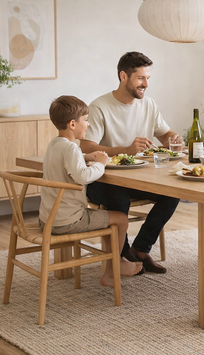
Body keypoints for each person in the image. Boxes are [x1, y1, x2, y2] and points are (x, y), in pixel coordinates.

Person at [80, 51, 181, 274]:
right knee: (118, 198)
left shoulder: (149, 105)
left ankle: (141, 250)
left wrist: (173, 139)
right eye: (140, 78)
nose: (145, 84)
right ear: (123, 76)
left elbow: (165, 134)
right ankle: (122, 255)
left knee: (173, 193)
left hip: (139, 178)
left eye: (148, 79)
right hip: (103, 180)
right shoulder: (99, 107)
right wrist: (125, 150)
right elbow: (85, 147)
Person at [39, 95, 143, 286]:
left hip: (48, 218)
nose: (87, 125)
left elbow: (68, 161)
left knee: (108, 215)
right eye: (85, 121)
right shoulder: (71, 149)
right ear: (72, 124)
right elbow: (84, 177)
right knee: (120, 219)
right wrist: (101, 163)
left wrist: (86, 156)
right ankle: (112, 269)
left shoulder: (55, 144)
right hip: (68, 221)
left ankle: (112, 261)